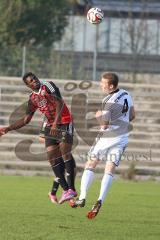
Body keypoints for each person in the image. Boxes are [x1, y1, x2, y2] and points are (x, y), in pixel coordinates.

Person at [0, 72, 77, 204]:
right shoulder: (32, 99)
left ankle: (71, 188)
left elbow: (59, 103)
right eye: (31, 80)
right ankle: (66, 190)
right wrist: (8, 128)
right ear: (27, 85)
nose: (35, 81)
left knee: (66, 154)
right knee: (52, 159)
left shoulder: (48, 86)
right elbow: (26, 119)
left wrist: (55, 123)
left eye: (35, 78)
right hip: (50, 126)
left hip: (64, 121)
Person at [70, 72, 135, 219]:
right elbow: (132, 116)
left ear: (111, 85)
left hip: (107, 137)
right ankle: (100, 200)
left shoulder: (108, 100)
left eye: (103, 83)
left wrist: (98, 116)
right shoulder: (126, 94)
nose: (101, 84)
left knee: (90, 164)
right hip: (122, 137)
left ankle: (83, 197)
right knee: (109, 169)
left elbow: (104, 125)